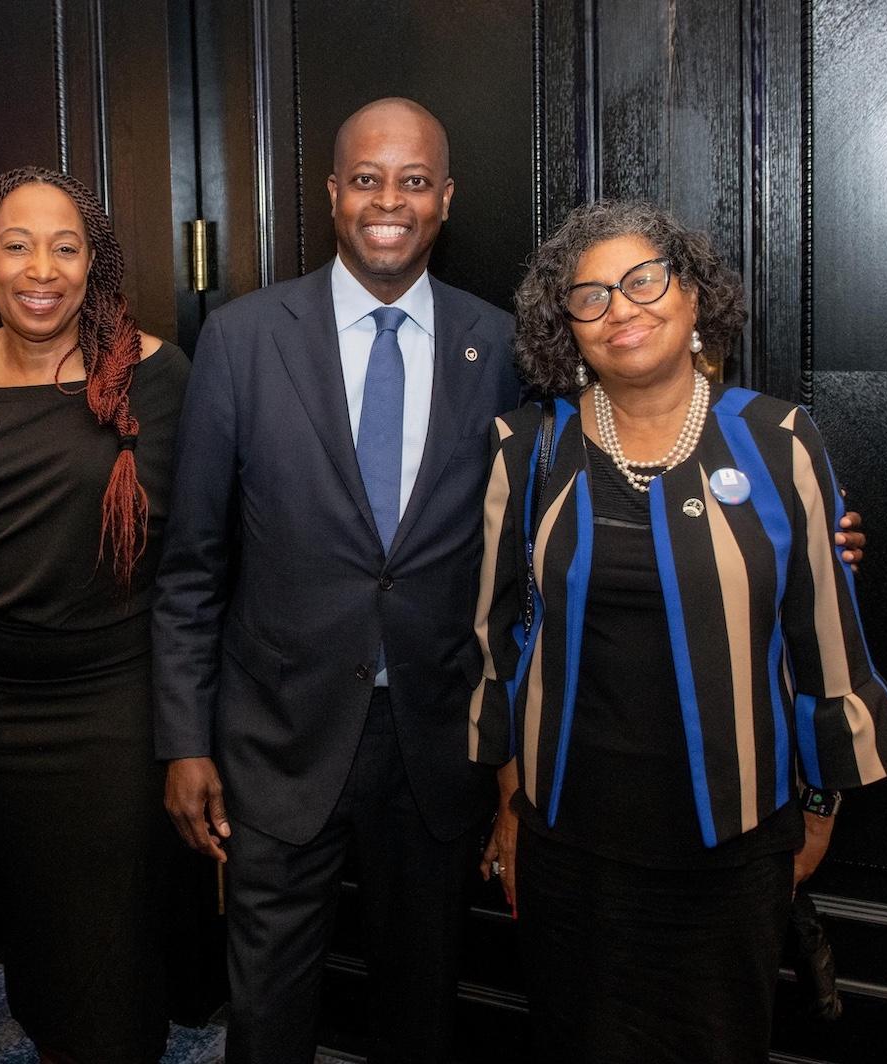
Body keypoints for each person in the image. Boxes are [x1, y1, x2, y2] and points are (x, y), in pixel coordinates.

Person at [471, 199, 887, 1063]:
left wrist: (817, 810)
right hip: (568, 839)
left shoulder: (778, 441)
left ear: (691, 295)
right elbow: (502, 638)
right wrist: (508, 805)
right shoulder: (525, 450)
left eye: (643, 280)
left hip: (734, 844)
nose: (621, 309)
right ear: (565, 329)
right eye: (589, 296)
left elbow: (823, 636)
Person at [153, 97, 521, 1064]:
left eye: (410, 181)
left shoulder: (503, 348)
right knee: (267, 1014)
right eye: (366, 179)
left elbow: (533, 551)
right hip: (277, 738)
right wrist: (183, 740)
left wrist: (796, 519)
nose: (386, 201)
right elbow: (192, 566)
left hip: (436, 741)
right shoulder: (239, 341)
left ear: (445, 197)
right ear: (331, 194)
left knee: (421, 1006)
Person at [0, 167, 190, 1064]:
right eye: (17, 244)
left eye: (65, 246)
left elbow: (203, 544)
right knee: (31, 911)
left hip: (113, 695)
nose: (42, 267)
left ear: (93, 264)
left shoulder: (155, 375)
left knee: (111, 923)